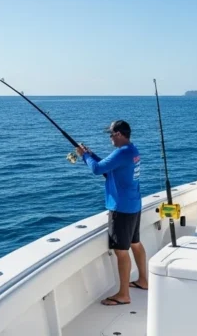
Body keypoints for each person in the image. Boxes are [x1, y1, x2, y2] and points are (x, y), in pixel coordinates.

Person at [76, 119, 147, 306]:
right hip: (134, 204)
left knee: (121, 252)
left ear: (119, 134)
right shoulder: (132, 150)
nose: (109, 138)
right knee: (135, 243)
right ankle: (143, 280)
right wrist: (91, 154)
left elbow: (97, 169)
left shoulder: (122, 153)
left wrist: (84, 156)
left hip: (121, 208)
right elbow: (108, 168)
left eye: (111, 134)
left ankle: (123, 295)